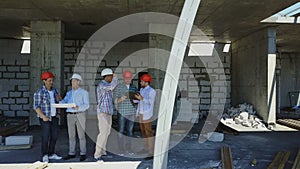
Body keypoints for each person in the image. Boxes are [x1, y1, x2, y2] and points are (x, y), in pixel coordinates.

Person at [33, 71, 62, 162]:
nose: (51, 82)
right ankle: (44, 154)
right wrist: (43, 116)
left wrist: (59, 112)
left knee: (54, 136)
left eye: (52, 80)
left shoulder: (55, 91)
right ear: (44, 81)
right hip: (45, 118)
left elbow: (58, 103)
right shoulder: (39, 92)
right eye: (49, 80)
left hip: (54, 117)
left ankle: (51, 153)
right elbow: (36, 106)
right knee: (45, 136)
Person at [60, 74, 89, 161]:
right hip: (70, 115)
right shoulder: (69, 93)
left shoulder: (84, 93)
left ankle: (83, 153)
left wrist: (78, 107)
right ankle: (71, 152)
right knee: (71, 135)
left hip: (80, 114)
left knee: (81, 135)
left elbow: (87, 105)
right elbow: (64, 102)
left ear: (78, 82)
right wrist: (59, 101)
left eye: (74, 81)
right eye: (71, 81)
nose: (72, 83)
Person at [94, 68, 118, 162]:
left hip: (108, 112)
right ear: (107, 76)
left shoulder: (106, 84)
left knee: (107, 133)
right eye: (111, 76)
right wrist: (116, 78)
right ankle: (97, 154)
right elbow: (112, 87)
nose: (112, 78)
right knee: (102, 133)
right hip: (103, 113)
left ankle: (103, 151)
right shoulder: (102, 85)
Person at [113, 70, 138, 155]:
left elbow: (138, 98)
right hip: (122, 113)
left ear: (131, 78)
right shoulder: (119, 87)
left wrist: (136, 101)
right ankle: (121, 149)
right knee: (121, 131)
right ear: (123, 78)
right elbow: (114, 100)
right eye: (126, 78)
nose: (128, 80)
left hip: (131, 112)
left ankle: (129, 149)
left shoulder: (133, 87)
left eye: (129, 78)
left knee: (130, 131)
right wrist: (120, 99)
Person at [135, 73, 156, 160]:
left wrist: (142, 99)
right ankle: (145, 148)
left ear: (146, 82)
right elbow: (140, 101)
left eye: (142, 81)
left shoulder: (152, 91)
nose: (140, 83)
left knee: (149, 133)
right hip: (141, 113)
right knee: (143, 132)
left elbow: (150, 102)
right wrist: (135, 99)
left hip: (147, 114)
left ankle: (151, 152)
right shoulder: (142, 90)